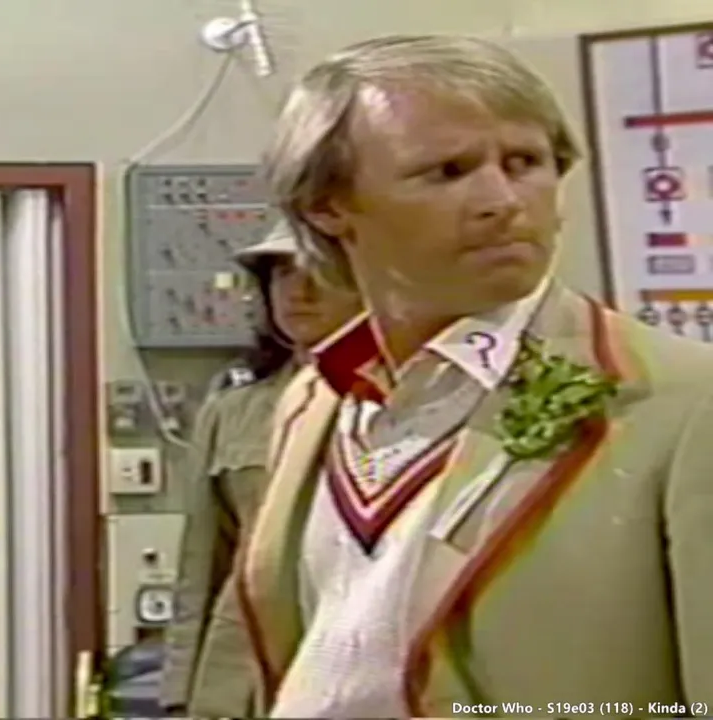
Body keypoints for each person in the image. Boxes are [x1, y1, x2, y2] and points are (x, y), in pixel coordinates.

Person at [236, 34, 713, 718]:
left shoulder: (680, 400)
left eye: (525, 163)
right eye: (448, 171)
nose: (501, 200)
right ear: (327, 205)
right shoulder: (314, 400)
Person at [159, 221, 361, 718]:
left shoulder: (401, 402)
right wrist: (179, 694)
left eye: (318, 268)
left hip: (353, 662)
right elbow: (202, 565)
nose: (299, 291)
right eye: (282, 273)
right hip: (240, 675)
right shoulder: (233, 410)